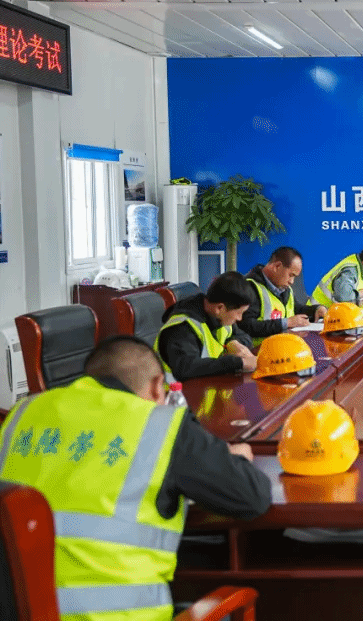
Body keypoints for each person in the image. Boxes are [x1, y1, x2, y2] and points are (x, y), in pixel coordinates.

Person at [0, 336, 271, 620]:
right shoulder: (159, 423)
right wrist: (239, 458)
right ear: (157, 386)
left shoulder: (23, 413)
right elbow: (252, 497)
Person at [155, 271, 257, 380]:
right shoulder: (181, 328)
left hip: (209, 386)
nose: (240, 318)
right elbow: (186, 368)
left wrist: (233, 343)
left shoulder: (219, 317)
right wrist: (239, 363)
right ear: (220, 308)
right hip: (174, 390)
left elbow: (244, 337)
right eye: (239, 313)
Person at [240, 246, 327, 344]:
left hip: (285, 347)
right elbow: (246, 325)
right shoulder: (249, 287)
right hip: (259, 350)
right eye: (291, 275)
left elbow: (296, 309)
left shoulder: (285, 289)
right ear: (277, 266)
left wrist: (316, 310)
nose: (292, 281)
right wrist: (286, 323)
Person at [310, 242, 363, 306]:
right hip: (316, 315)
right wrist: (361, 294)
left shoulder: (360, 268)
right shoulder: (351, 270)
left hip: (329, 315)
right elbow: (343, 296)